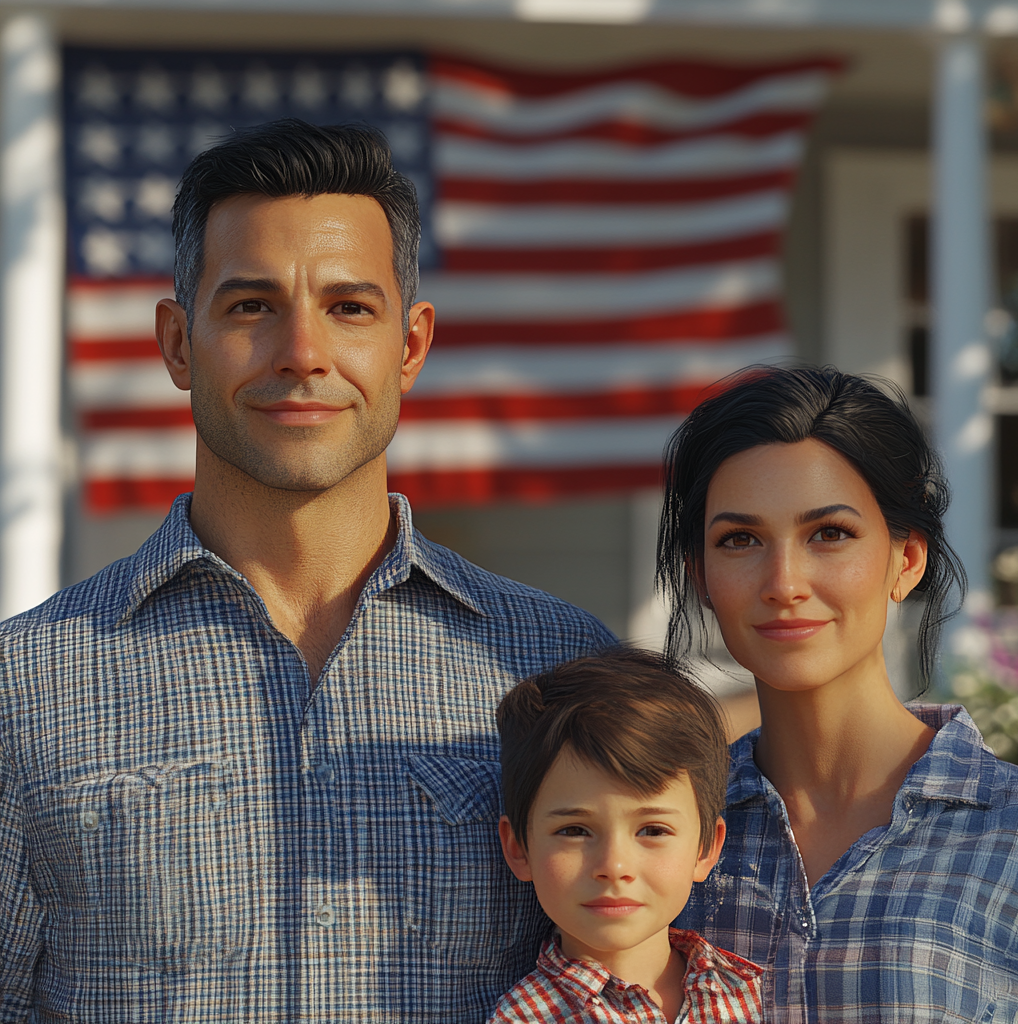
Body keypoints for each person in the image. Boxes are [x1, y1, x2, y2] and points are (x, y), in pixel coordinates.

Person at [0, 120, 615, 1022]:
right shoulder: (24, 686)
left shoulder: (560, 668)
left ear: (410, 346)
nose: (303, 353)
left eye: (349, 308)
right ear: (177, 342)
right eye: (251, 306)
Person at [661, 365, 1018, 1024]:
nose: (784, 581)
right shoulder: (655, 837)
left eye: (829, 533)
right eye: (739, 540)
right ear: (701, 576)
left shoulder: (1014, 832)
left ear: (906, 560)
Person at [490, 646, 763, 1024]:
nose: (614, 866)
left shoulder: (744, 990)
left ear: (706, 848)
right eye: (574, 831)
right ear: (518, 847)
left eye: (652, 830)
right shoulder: (526, 1018)